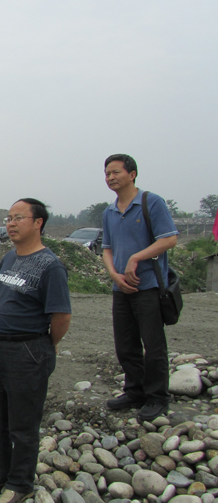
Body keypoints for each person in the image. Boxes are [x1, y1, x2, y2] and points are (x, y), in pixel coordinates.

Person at [0, 199, 72, 503]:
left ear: (38, 223)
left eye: (19, 218)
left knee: (23, 423)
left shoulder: (50, 266)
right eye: (8, 218)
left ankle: (20, 483)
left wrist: (44, 345)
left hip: (27, 350)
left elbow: (61, 316)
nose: (11, 223)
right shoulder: (8, 258)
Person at [101, 154, 178, 421]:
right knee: (125, 345)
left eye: (115, 172)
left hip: (148, 287)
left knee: (153, 345)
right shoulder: (109, 212)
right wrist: (114, 274)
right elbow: (107, 249)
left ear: (132, 174)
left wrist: (136, 258)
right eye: (107, 174)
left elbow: (169, 239)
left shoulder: (151, 202)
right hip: (121, 288)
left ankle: (157, 397)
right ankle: (134, 391)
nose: (110, 177)